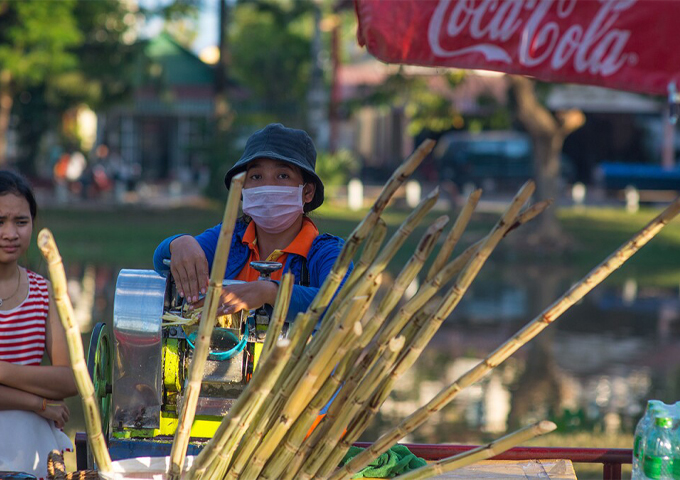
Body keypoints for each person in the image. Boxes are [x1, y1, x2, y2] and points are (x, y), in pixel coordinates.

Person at [153, 123, 351, 323]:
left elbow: (343, 303)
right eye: (256, 176)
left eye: (283, 175)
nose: (267, 186)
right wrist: (179, 243)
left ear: (307, 192)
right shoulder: (228, 239)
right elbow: (162, 262)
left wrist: (271, 292)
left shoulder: (327, 252)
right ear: (243, 188)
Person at [0, 171, 78, 478]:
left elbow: (72, 379)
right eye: (0, 221)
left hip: (32, 449)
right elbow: (53, 386)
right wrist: (37, 402)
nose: (10, 233)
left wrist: (2, 371)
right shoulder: (40, 402)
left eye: (21, 222)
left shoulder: (45, 292)